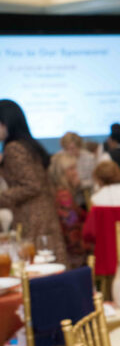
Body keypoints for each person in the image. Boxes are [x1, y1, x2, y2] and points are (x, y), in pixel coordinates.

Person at [0, 99, 66, 262]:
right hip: (44, 214)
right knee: (51, 267)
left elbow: (31, 185)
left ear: (6, 123)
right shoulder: (28, 145)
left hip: (31, 218)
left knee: (35, 271)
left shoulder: (14, 148)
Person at [50, 152, 87, 267]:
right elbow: (72, 232)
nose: (75, 172)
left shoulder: (57, 192)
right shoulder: (64, 196)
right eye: (71, 169)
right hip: (73, 257)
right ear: (61, 173)